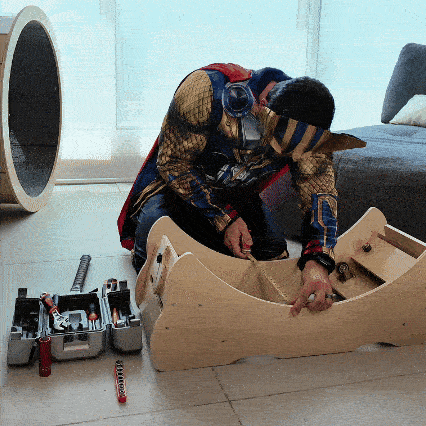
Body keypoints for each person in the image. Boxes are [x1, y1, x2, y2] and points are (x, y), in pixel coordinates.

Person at [117, 63, 365, 316]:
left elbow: (319, 195)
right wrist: (225, 219)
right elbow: (172, 163)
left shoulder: (308, 128)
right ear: (262, 104)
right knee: (157, 254)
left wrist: (318, 262)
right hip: (177, 191)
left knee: (274, 258)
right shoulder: (205, 91)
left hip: (239, 196)